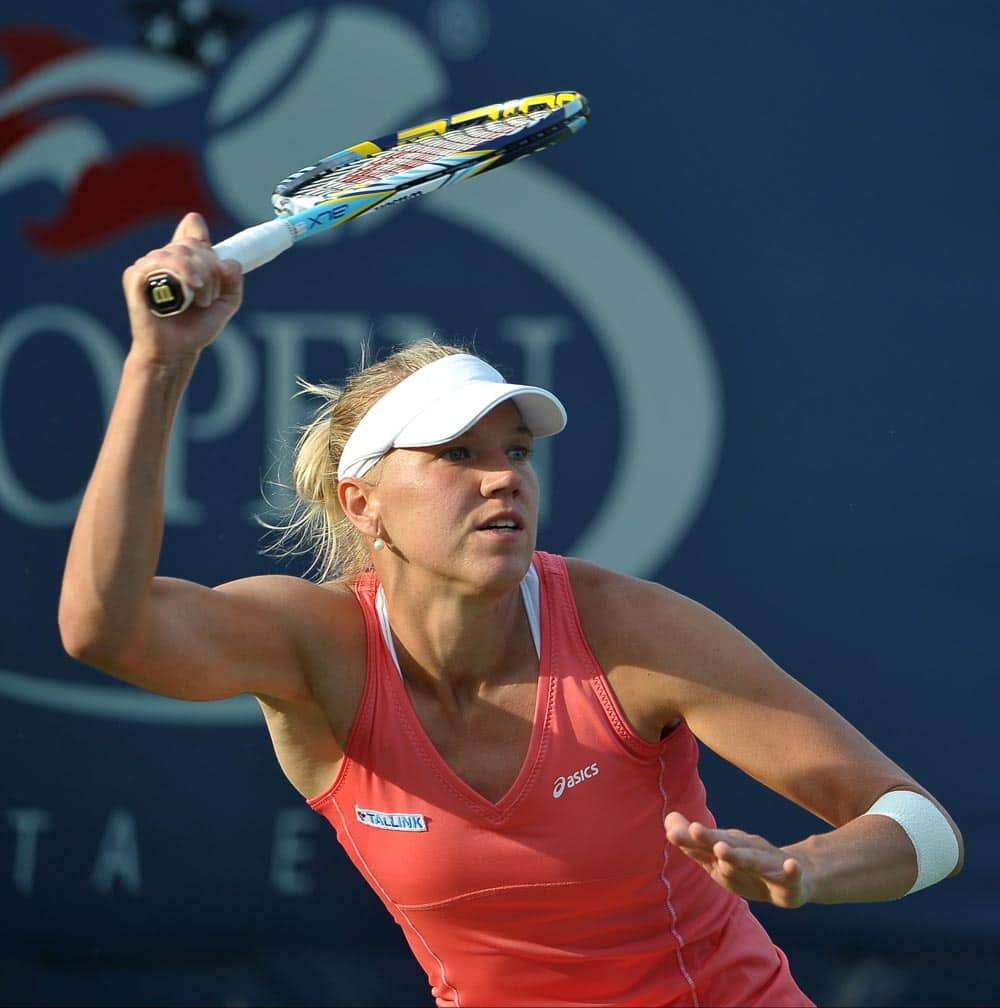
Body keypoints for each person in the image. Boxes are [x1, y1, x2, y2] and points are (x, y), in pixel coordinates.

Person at [59, 213, 963, 1008]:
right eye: (456, 455)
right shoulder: (314, 648)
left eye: (518, 449)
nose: (505, 476)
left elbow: (920, 825)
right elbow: (106, 630)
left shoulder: (628, 631)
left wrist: (807, 872)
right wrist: (158, 362)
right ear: (361, 502)